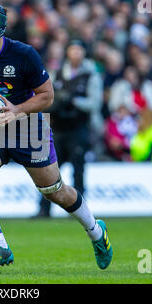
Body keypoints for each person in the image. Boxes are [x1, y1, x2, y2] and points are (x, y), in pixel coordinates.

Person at [0, 2, 113, 270]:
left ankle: (96, 231)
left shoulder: (24, 55)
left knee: (55, 191)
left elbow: (47, 95)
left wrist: (17, 110)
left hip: (28, 130)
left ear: (1, 26)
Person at [35, 39, 103, 217]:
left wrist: (72, 101)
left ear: (84, 53)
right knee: (48, 170)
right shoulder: (55, 73)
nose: (76, 53)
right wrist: (57, 102)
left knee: (78, 169)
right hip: (56, 129)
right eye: (73, 49)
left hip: (78, 128)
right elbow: (44, 97)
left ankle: (79, 212)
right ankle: (43, 209)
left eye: (79, 50)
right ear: (68, 52)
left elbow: (95, 103)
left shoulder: (91, 76)